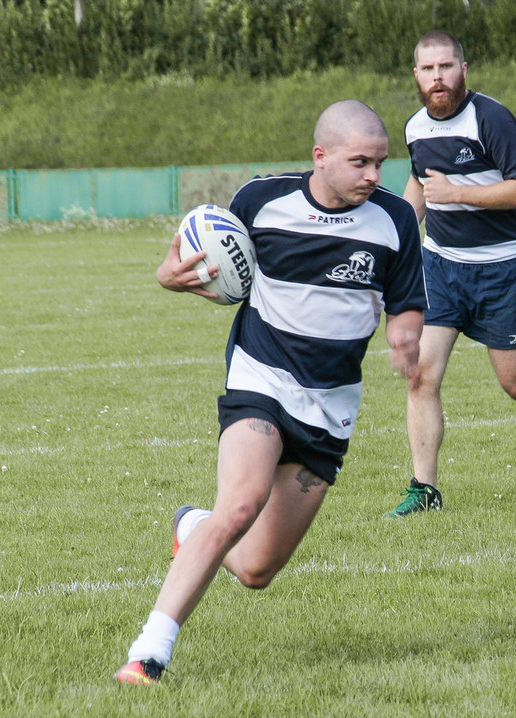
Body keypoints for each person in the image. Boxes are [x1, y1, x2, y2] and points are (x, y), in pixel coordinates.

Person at [115, 100, 427, 685]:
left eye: (381, 163)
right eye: (360, 162)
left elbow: (406, 304)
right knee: (239, 503)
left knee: (256, 569)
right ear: (321, 156)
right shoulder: (260, 200)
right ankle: (149, 652)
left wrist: (405, 337)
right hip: (261, 376)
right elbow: (194, 252)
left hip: (330, 404)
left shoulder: (396, 220)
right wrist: (168, 275)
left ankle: (189, 527)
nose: (373, 175)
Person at [389, 30, 516, 517]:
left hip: (502, 269)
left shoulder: (491, 118)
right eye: (427, 69)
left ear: (463, 69)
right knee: (421, 374)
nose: (437, 77)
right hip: (440, 267)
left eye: (446, 67)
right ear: (416, 76)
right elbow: (421, 185)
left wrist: (458, 192)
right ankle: (425, 490)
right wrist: (396, 235)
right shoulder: (415, 127)